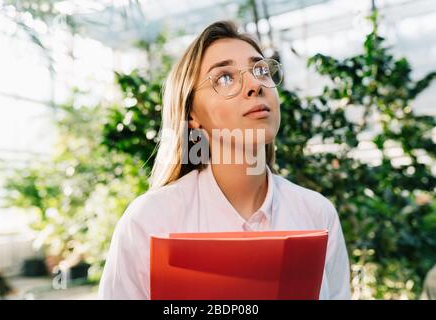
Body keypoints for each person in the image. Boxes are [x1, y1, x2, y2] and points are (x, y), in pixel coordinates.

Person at [98, 20, 351, 300]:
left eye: (261, 70)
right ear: (191, 115)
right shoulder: (149, 221)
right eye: (225, 78)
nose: (255, 84)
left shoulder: (318, 215)